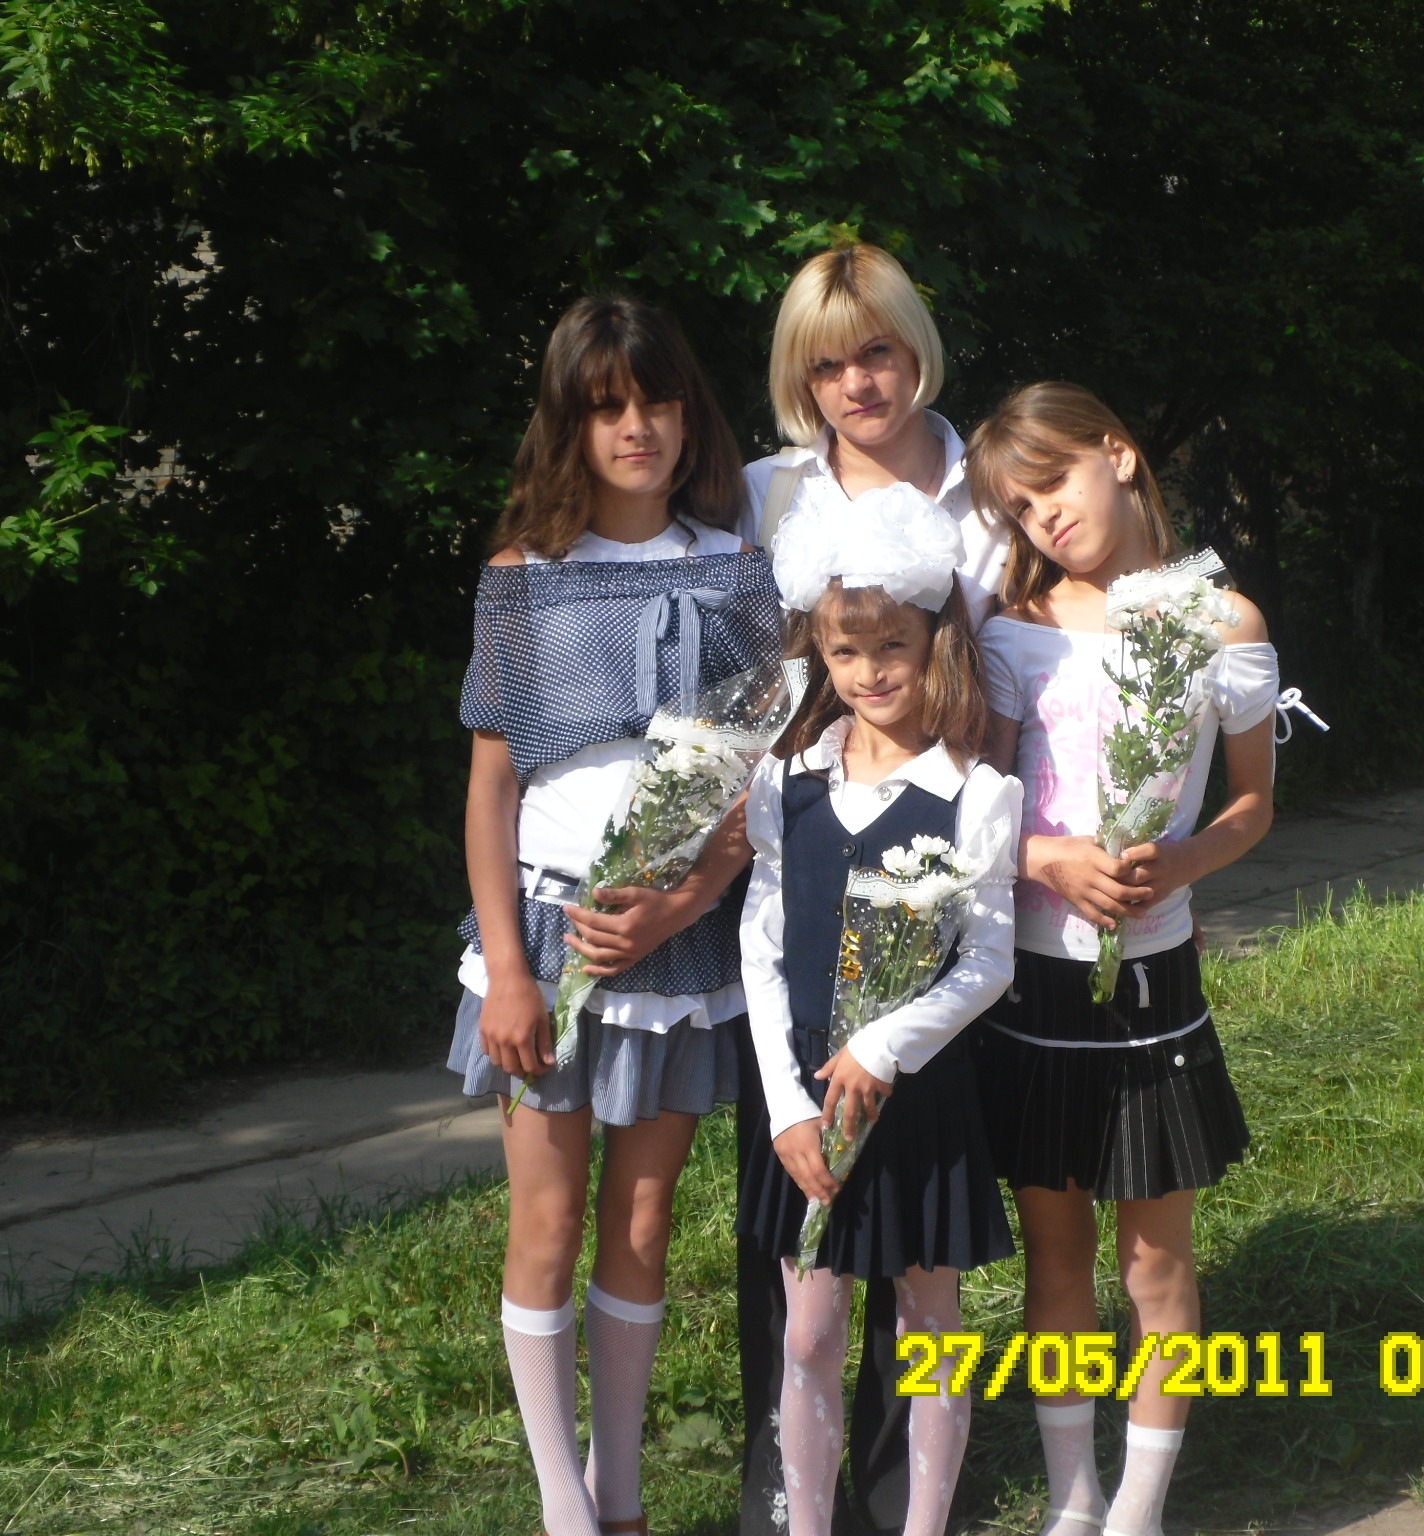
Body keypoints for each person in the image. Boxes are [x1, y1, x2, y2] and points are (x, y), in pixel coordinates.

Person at [448, 294, 782, 1536]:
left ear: (689, 415)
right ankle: (563, 1511)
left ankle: (622, 1495)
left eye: (656, 400)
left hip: (680, 945)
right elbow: (490, 792)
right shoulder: (521, 580)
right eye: (606, 407)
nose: (636, 426)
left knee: (642, 1223)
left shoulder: (736, 570)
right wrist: (507, 968)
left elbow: (759, 783)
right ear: (570, 426)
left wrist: (680, 903)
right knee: (546, 1223)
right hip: (542, 942)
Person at [964, 383, 1284, 1536]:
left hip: (1152, 979)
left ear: (1117, 453)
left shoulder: (1223, 624)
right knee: (1055, 1263)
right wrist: (1046, 858)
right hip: (1035, 982)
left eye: (1051, 483)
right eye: (1017, 508)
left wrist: (1182, 861)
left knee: (1153, 1264)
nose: (1042, 517)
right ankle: (1072, 1500)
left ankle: (1137, 1512)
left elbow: (1251, 805)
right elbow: (976, 810)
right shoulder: (1014, 630)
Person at [736, 241, 1009, 1536]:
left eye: (878, 352)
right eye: (826, 363)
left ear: (917, 350)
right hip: (807, 838)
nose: (856, 381)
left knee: (918, 1270)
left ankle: (914, 1500)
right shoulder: (769, 492)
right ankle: (792, 1500)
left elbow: (1011, 658)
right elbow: (760, 678)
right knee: (801, 1279)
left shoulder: (981, 488)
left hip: (945, 841)